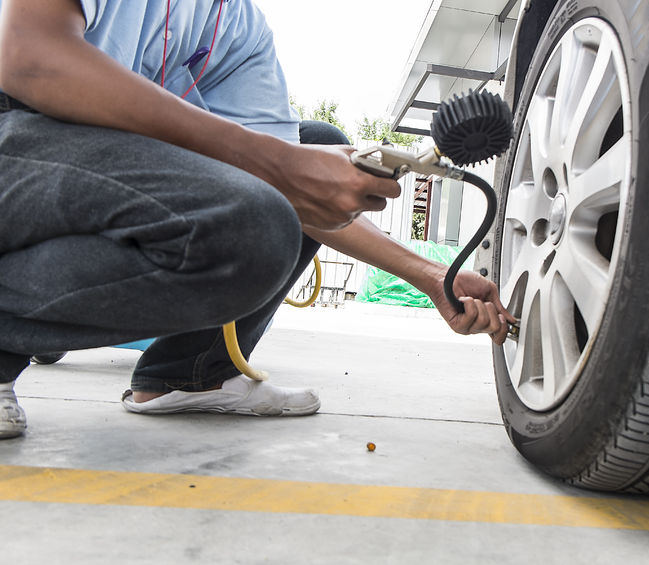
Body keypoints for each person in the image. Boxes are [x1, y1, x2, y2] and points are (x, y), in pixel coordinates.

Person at [0, 0, 513, 439]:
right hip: (13, 132)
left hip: (91, 165)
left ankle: (191, 374)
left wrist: (430, 277)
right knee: (271, 187)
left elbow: (293, 188)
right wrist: (280, 165)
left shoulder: (235, 24)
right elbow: (30, 57)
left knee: (312, 148)